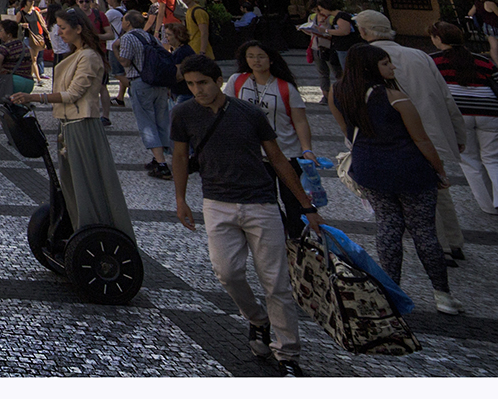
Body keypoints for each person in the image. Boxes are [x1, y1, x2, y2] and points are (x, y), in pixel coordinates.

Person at [172, 54, 322, 376]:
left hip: (261, 203)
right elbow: (181, 157)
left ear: (218, 81)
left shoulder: (250, 113)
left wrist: (306, 206)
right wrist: (181, 199)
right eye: (191, 84)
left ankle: (287, 355)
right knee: (227, 272)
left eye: (203, 83)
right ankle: (257, 319)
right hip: (217, 203)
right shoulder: (183, 114)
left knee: (276, 283)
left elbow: (279, 160)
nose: (197, 90)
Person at [328, 43, 460, 314]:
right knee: (423, 232)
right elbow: (420, 139)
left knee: (387, 227)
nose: (392, 67)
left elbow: (347, 130)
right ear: (371, 67)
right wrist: (439, 171)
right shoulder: (394, 96)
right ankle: (442, 295)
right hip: (409, 169)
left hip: (369, 169)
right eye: (386, 63)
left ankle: (390, 292)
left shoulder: (337, 92)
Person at [353, 10, 469, 260]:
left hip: (397, 139)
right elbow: (446, 96)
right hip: (433, 132)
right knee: (439, 186)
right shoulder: (419, 55)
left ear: (363, 32)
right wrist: (458, 133)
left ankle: (440, 248)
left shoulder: (365, 61)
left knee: (420, 194)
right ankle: (454, 241)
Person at [12, 9, 129, 243]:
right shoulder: (77, 55)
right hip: (69, 125)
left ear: (78, 29)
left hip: (82, 125)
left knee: (85, 182)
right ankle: (80, 228)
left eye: (63, 28)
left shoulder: (89, 57)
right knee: (72, 183)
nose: (59, 32)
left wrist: (34, 98)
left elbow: (74, 93)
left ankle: (92, 230)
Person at [429, 21, 498, 217]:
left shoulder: (431, 61)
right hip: (492, 113)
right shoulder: (482, 60)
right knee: (494, 159)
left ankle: (489, 207)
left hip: (459, 115)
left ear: (437, 39)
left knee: (470, 161)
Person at [227, 39, 314, 160]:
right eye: (250, 56)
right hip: (251, 151)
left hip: (286, 151)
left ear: (271, 59)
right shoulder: (236, 81)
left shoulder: (285, 88)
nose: (256, 61)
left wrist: (307, 149)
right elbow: (226, 111)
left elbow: (300, 121)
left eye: (261, 56)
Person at [117, 11, 175, 178]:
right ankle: (158, 158)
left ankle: (162, 164)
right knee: (161, 120)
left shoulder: (127, 38)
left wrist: (115, 51)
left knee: (147, 122)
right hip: (159, 83)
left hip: (141, 82)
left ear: (128, 23)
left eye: (123, 20)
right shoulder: (151, 37)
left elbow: (126, 61)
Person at [303, 0, 358, 97]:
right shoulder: (313, 17)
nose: (320, 12)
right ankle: (330, 94)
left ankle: (349, 93)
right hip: (323, 47)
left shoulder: (338, 17)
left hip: (336, 47)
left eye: (320, 9)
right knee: (323, 72)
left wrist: (326, 31)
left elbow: (345, 31)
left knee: (341, 71)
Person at [468, 0, 498, 71]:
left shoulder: (477, 4)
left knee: (494, 47)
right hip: (495, 26)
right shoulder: (490, 4)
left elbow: (470, 13)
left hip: (486, 27)